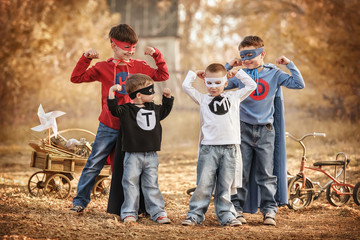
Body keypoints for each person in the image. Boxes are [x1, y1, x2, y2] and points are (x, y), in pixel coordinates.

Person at [69, 23, 169, 213]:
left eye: (133, 47)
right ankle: (80, 202)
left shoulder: (140, 66)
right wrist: (85, 58)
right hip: (109, 125)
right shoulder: (102, 67)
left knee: (128, 168)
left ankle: (130, 207)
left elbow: (162, 74)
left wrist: (157, 55)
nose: (131, 51)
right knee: (94, 163)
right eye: (126, 47)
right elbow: (77, 77)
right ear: (113, 45)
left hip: (133, 127)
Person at [225, 36, 305, 226]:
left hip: (266, 131)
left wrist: (290, 64)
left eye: (250, 55)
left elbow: (298, 84)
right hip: (243, 129)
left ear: (263, 54)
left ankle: (269, 210)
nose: (246, 59)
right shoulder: (240, 75)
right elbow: (218, 85)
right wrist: (229, 67)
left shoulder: (274, 73)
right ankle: (236, 209)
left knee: (266, 173)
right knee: (240, 173)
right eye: (243, 56)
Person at [181, 63, 257, 227]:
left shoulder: (234, 97)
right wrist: (194, 73)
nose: (213, 87)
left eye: (217, 83)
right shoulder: (202, 99)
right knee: (203, 184)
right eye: (209, 83)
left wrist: (237, 73)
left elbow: (252, 85)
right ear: (205, 82)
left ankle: (227, 215)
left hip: (230, 149)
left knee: (225, 186)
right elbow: (186, 86)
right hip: (209, 148)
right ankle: (195, 214)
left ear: (225, 83)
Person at [107, 73, 174, 224]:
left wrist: (168, 98)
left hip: (151, 155)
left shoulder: (154, 109)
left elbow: (165, 111)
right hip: (132, 155)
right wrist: (111, 93)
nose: (153, 93)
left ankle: (158, 212)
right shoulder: (126, 110)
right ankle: (130, 212)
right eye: (150, 91)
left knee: (151, 184)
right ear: (138, 95)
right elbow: (113, 110)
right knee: (130, 184)